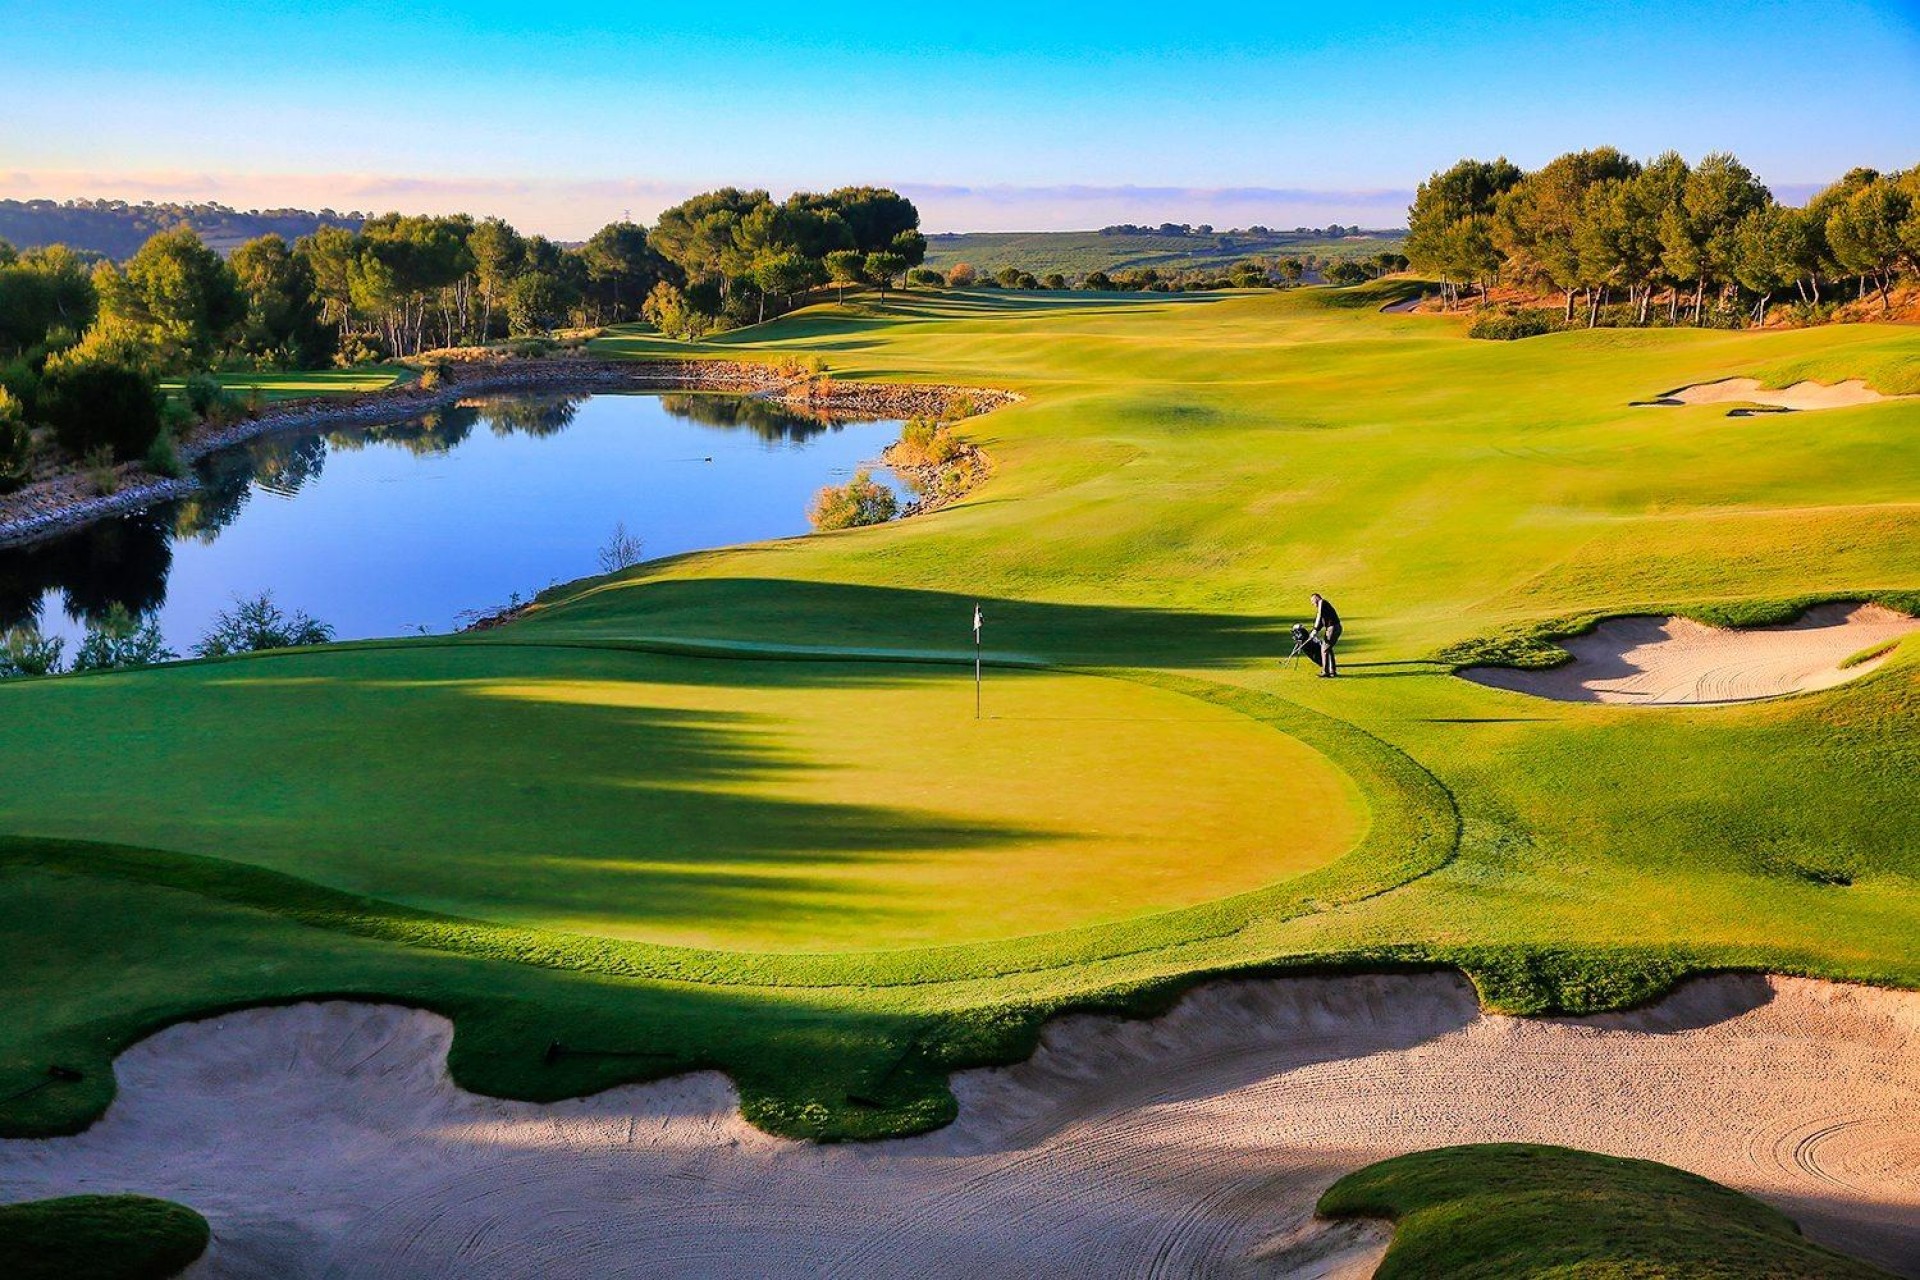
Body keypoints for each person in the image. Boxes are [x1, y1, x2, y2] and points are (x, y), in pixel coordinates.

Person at [1309, 592, 1342, 677]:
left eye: (1312, 601)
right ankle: (1332, 672)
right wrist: (1314, 631)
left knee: (1324, 649)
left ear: (1316, 598)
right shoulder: (1323, 607)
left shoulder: (1322, 602)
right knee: (1328, 649)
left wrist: (1315, 629)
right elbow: (1321, 623)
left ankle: (1325, 672)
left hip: (1333, 628)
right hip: (1333, 628)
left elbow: (1319, 616)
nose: (1313, 604)